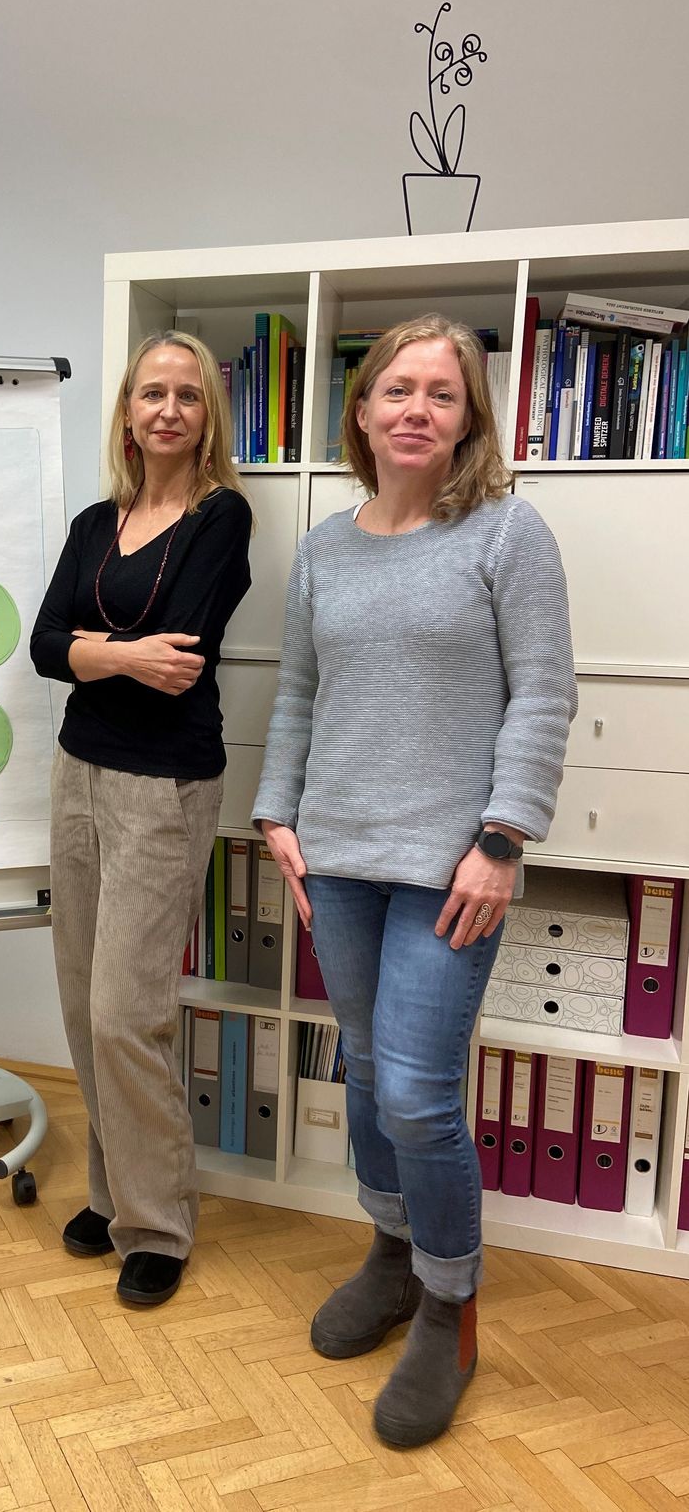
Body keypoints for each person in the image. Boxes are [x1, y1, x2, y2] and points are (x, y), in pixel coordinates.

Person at [254, 314, 576, 1446]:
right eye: (398, 388)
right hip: (334, 855)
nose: (416, 409)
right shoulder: (326, 547)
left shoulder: (506, 534)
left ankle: (451, 1303)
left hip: (451, 868)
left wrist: (503, 839)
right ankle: (391, 1254)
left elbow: (542, 693)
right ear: (362, 407)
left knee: (419, 1095)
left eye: (443, 394)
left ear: (468, 419)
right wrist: (276, 815)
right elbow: (297, 693)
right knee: (367, 1072)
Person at [30, 330, 252, 1307]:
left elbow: (186, 656)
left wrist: (95, 650)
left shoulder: (221, 518)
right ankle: (114, 1192)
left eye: (187, 395)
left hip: (163, 788)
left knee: (129, 1011)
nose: (167, 409)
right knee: (82, 1001)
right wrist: (119, 655)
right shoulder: (94, 522)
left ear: (206, 416)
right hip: (76, 773)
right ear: (127, 411)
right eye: (151, 393)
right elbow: (44, 645)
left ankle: (158, 1223)